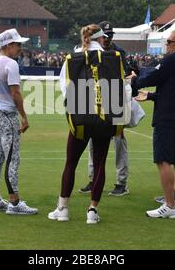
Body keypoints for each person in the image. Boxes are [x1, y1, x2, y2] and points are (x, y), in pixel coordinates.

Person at [48, 24, 121, 224]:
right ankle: (92, 211)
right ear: (102, 39)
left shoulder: (73, 58)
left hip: (80, 117)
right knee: (99, 164)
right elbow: (120, 89)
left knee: (71, 162)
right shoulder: (112, 57)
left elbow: (65, 89)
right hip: (106, 117)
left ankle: (62, 209)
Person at [127, 28, 175, 219]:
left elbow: (153, 78)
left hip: (167, 119)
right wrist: (151, 96)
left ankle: (169, 205)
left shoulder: (172, 60)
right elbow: (172, 91)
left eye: (170, 42)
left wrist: (134, 80)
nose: (167, 44)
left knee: (163, 161)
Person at [0, 28, 37, 215]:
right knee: (12, 159)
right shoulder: (11, 64)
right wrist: (24, 116)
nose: (20, 48)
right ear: (8, 45)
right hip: (7, 114)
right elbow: (16, 93)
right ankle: (14, 203)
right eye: (17, 44)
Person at [79, 21, 130, 196]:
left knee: (119, 142)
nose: (108, 38)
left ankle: (121, 182)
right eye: (106, 35)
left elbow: (124, 77)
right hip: (95, 104)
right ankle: (93, 179)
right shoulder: (91, 50)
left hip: (114, 102)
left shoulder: (118, 53)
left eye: (110, 35)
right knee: (94, 144)